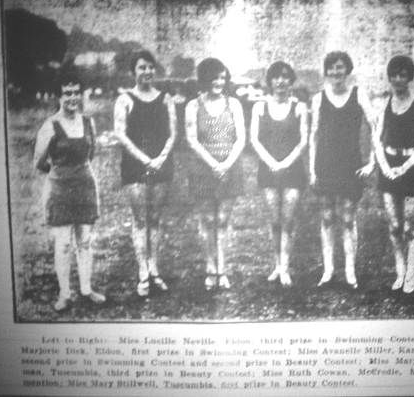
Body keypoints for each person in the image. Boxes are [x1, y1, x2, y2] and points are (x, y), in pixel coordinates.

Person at [33, 66, 105, 312]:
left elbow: (91, 153)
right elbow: (38, 163)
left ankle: (86, 289)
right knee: (63, 244)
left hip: (84, 186)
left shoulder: (88, 122)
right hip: (60, 189)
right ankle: (65, 293)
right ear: (59, 96)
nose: (72, 97)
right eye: (67, 93)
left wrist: (78, 173)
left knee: (84, 241)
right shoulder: (50, 126)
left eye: (76, 92)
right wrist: (60, 176)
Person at [309, 51, 376, 289]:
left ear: (347, 70)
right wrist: (312, 169)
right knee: (327, 218)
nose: (336, 72)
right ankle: (328, 271)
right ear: (326, 72)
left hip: (350, 166)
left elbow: (375, 126)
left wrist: (372, 162)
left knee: (348, 219)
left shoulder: (359, 95)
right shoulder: (318, 99)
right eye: (332, 68)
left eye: (340, 68)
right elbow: (314, 135)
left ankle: (350, 271)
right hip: (325, 166)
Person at [114, 50, 176, 296]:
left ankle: (154, 269)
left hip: (161, 166)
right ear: (133, 71)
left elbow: (173, 133)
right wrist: (144, 159)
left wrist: (160, 158)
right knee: (140, 220)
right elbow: (120, 134)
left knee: (155, 219)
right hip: (134, 167)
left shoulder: (166, 99)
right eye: (142, 67)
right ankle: (142, 272)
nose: (147, 72)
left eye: (150, 67)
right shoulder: (124, 100)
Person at [374, 55, 414, 294]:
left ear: (410, 77)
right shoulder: (384, 103)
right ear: (389, 78)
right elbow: (377, 140)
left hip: (413, 170)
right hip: (389, 169)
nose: (398, 79)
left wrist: (406, 166)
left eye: (403, 74)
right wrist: (385, 167)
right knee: (394, 226)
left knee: (411, 228)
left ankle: (411, 275)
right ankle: (400, 272)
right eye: (394, 75)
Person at [185, 58, 245, 290]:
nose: (219, 82)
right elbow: (191, 139)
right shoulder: (193, 106)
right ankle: (210, 269)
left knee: (222, 221)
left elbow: (241, 138)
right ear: (205, 79)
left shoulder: (235, 104)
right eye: (214, 77)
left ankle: (223, 270)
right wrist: (213, 164)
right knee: (208, 220)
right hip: (203, 170)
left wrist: (226, 164)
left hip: (230, 170)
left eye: (222, 77)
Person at [250, 61, 308, 287]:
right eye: (276, 77)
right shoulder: (259, 107)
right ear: (270, 81)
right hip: (268, 169)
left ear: (290, 80)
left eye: (285, 77)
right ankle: (276, 265)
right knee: (274, 220)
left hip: (292, 169)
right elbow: (254, 139)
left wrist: (286, 162)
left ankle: (285, 267)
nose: (281, 81)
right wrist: (272, 162)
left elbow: (303, 140)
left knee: (288, 220)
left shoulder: (299, 107)